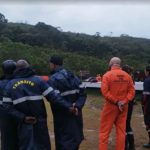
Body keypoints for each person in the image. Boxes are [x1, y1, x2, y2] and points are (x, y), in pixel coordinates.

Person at [2, 59, 76, 150]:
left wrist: (22, 117)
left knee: (26, 146)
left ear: (16, 70)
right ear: (28, 67)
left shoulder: (10, 86)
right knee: (43, 146)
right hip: (40, 123)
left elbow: (6, 107)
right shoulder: (38, 80)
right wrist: (68, 106)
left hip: (23, 124)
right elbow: (54, 97)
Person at [47, 55, 87, 150]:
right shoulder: (74, 77)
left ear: (53, 64)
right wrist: (77, 106)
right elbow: (83, 94)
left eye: (50, 64)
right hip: (76, 115)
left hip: (62, 117)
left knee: (63, 142)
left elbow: (54, 98)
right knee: (75, 140)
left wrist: (69, 107)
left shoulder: (53, 79)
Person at [99, 57, 135, 150]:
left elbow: (105, 92)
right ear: (120, 64)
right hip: (123, 107)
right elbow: (132, 92)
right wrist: (124, 101)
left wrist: (116, 101)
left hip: (110, 106)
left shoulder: (107, 75)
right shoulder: (127, 76)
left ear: (111, 63)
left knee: (104, 132)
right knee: (121, 132)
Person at [0, 60, 18, 150]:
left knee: (6, 139)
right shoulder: (18, 83)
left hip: (3, 115)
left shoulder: (1, 83)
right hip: (18, 114)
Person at [122, 65, 135, 150]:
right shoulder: (131, 79)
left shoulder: (125, 79)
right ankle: (131, 145)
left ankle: (125, 145)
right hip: (130, 104)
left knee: (123, 125)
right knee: (128, 124)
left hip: (125, 103)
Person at [142, 65, 150, 148]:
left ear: (147, 71)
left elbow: (145, 95)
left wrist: (143, 104)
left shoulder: (147, 81)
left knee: (148, 123)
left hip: (148, 105)